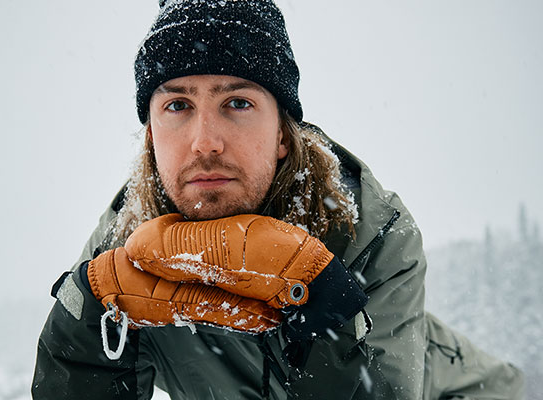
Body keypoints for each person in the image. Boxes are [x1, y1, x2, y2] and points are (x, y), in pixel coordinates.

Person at [32, 1, 524, 399]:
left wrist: (326, 310)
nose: (205, 142)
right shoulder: (121, 246)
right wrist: (83, 325)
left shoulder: (372, 235)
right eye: (178, 105)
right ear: (151, 138)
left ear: (283, 134)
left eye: (237, 102)